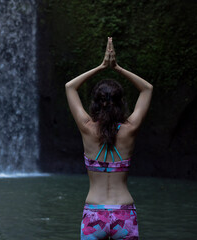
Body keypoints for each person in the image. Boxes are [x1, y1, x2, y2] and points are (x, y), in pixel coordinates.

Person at [65, 37, 153, 240]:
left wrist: (101, 66)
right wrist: (117, 67)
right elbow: (147, 89)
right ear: (121, 103)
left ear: (95, 103)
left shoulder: (87, 128)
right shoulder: (130, 130)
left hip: (94, 213)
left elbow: (70, 87)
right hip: (124, 212)